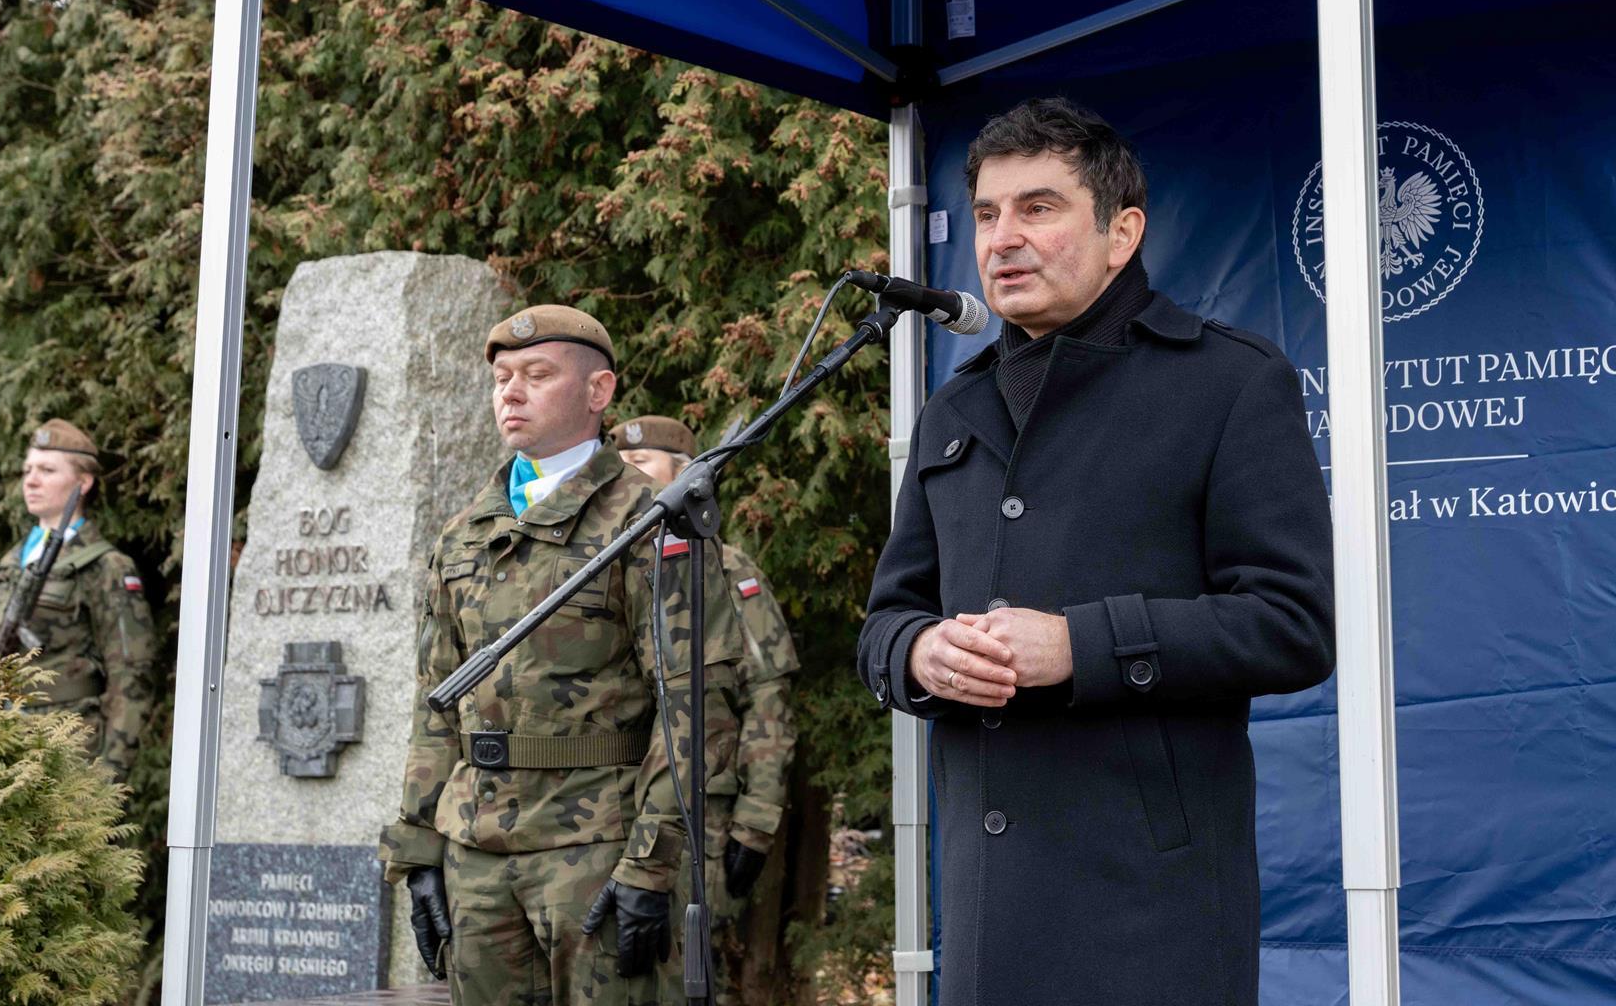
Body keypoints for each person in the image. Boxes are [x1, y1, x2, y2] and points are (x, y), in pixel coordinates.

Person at [857, 98, 1335, 1006]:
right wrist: (918, 655)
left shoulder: (1229, 383)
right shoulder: (952, 410)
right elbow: (887, 619)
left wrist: (1079, 647)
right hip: (988, 905)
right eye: (989, 214)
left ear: (1123, 233)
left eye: (1038, 209)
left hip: (1148, 914)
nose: (1002, 239)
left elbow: (1294, 624)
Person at [378, 306, 743, 1006]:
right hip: (477, 854)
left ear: (598, 392)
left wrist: (650, 863)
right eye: (501, 378)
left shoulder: (649, 520)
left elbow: (695, 707)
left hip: (597, 851)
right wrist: (419, 851)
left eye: (536, 375)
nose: (510, 393)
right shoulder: (465, 532)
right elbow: (436, 704)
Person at [610, 415, 799, 1005]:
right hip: (614, 816)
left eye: (643, 468)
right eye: (620, 470)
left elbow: (767, 697)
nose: (628, 480)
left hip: (699, 822)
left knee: (683, 973)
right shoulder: (604, 571)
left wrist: (758, 821)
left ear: (688, 477)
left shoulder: (724, 568)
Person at [0, 419, 156, 783]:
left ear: (82, 482)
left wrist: (108, 776)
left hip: (66, 751)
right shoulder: (11, 563)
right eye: (27, 469)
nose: (31, 480)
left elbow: (131, 676)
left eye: (47, 470)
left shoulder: (106, 566)